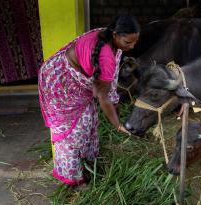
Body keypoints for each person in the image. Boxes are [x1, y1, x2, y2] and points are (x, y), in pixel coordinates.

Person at [38, 15, 140, 185]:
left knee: (88, 119)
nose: (132, 46)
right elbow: (103, 97)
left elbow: (100, 91)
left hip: (72, 79)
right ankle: (72, 178)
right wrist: (117, 124)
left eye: (135, 42)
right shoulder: (106, 59)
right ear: (115, 35)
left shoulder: (106, 36)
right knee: (73, 134)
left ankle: (87, 160)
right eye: (128, 42)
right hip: (59, 82)